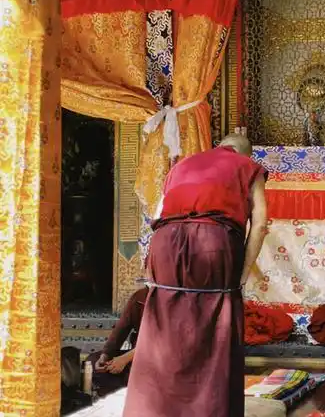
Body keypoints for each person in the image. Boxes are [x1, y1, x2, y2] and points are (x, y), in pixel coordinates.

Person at [123, 134, 268, 417]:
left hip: (165, 242)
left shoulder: (181, 166)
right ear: (244, 154)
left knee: (164, 323)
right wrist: (242, 274)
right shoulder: (246, 166)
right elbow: (260, 224)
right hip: (211, 241)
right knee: (216, 322)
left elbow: (159, 213)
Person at [87, 287, 148, 395]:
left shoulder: (174, 299)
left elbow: (158, 342)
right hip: (136, 354)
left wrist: (125, 359)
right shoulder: (140, 296)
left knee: (136, 375)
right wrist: (105, 355)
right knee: (92, 363)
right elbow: (121, 329)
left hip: (158, 359)